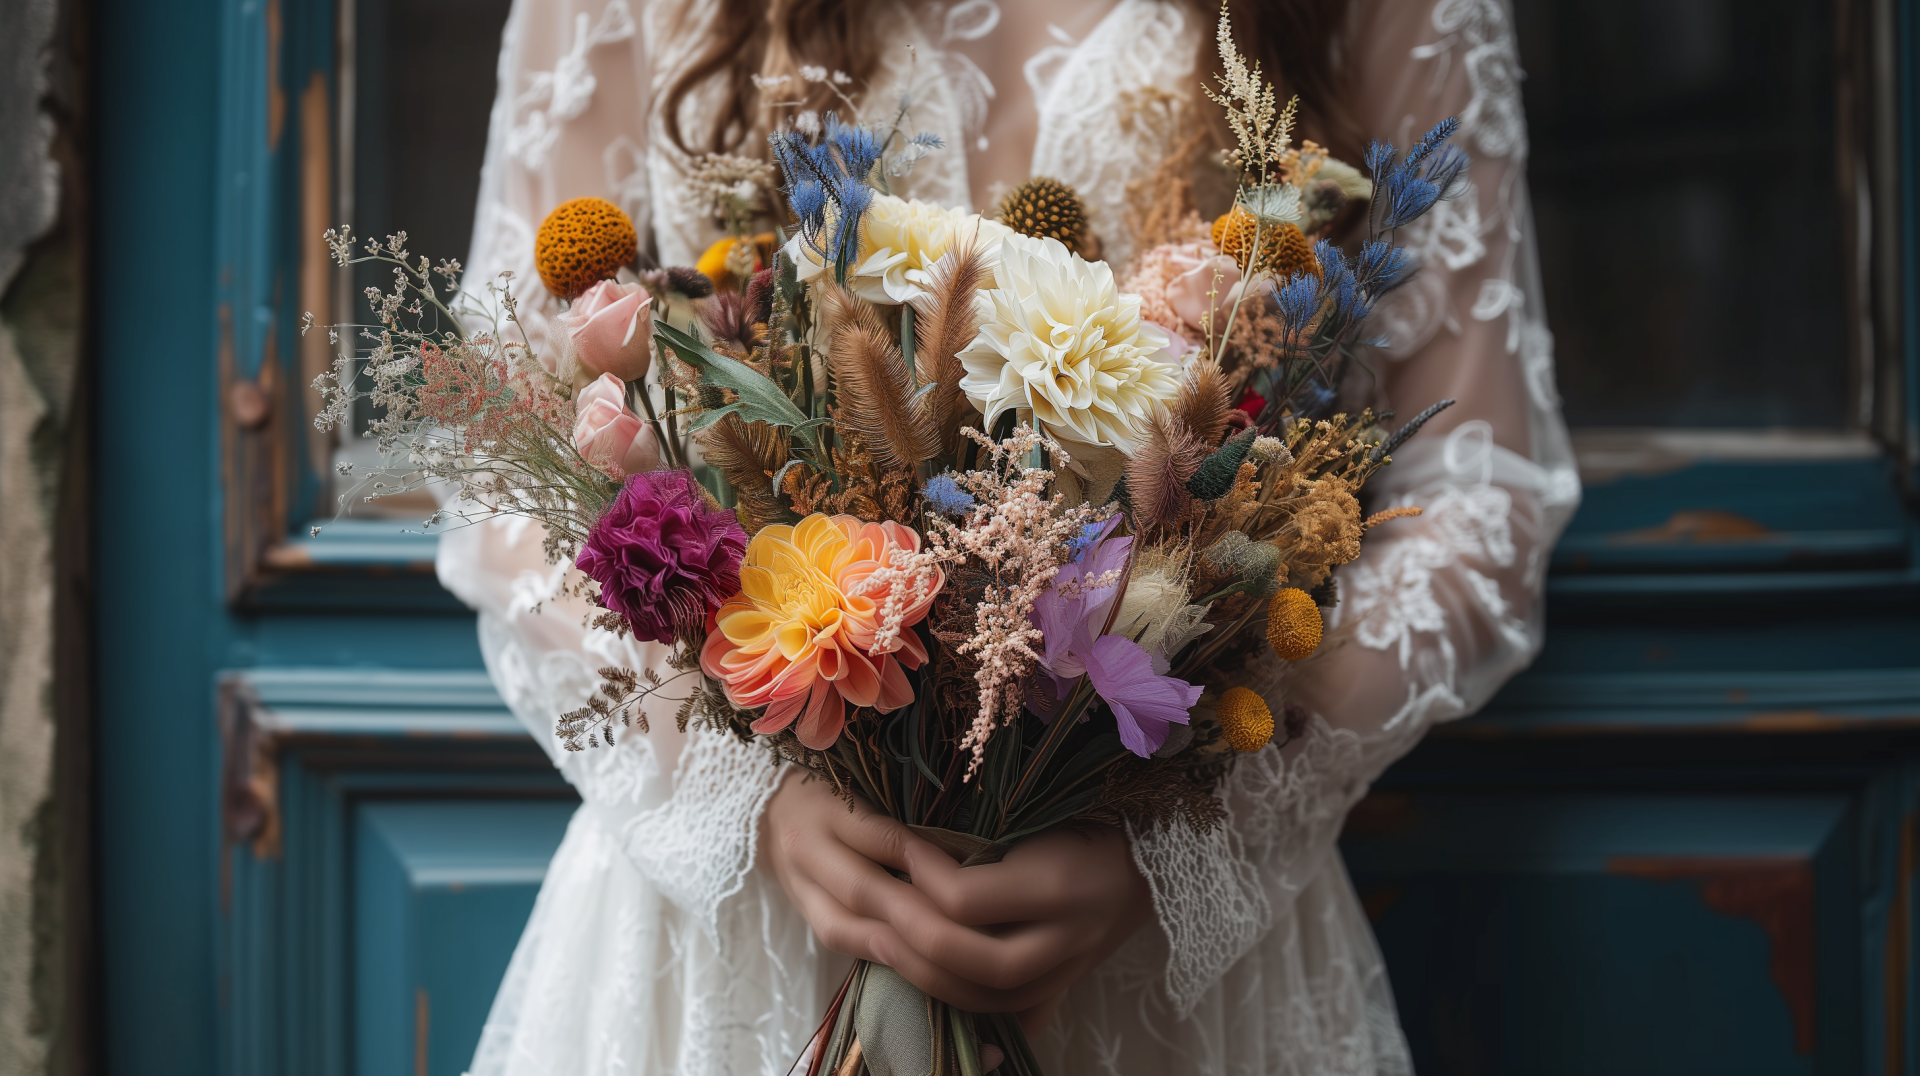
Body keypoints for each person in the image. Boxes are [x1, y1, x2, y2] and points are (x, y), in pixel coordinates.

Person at [435, 0, 1580, 1071]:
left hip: (1164, 963)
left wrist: (1184, 844)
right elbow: (508, 453)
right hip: (749, 930)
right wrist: (744, 794)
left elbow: (1480, 490)